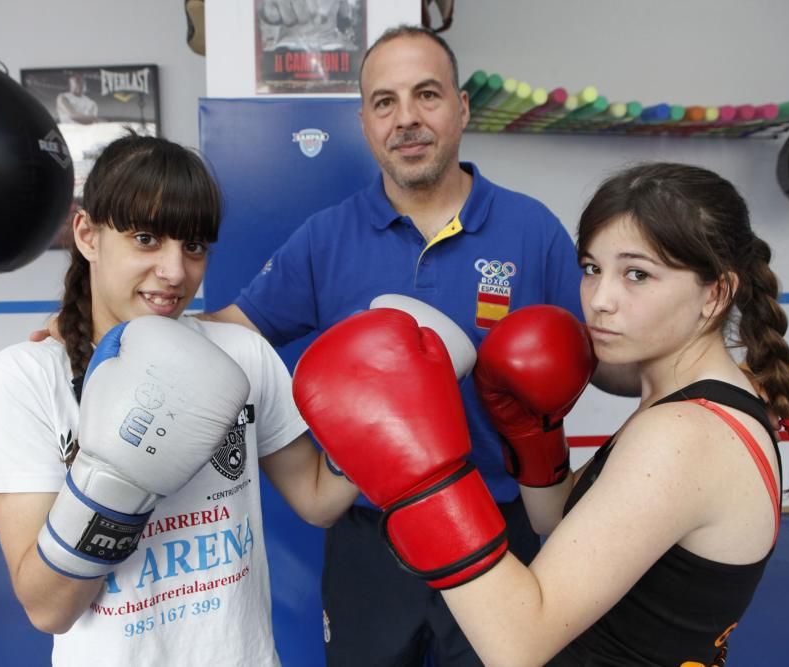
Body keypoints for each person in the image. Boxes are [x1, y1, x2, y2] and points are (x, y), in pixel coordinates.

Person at [201, 22, 638, 667]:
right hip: (370, 540)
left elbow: (614, 363)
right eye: (385, 102)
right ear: (365, 122)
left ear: (461, 108)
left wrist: (693, 381)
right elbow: (233, 331)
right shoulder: (328, 237)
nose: (407, 119)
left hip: (500, 529)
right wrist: (109, 329)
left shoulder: (530, 229)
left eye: (427, 95)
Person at [294, 161, 789, 667]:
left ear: (716, 293)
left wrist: (421, 478)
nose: (600, 299)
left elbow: (517, 644)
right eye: (592, 269)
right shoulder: (700, 403)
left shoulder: (682, 436)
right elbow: (558, 522)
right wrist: (532, 432)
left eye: (637, 275)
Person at [0, 134, 361, 666]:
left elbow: (317, 501)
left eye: (193, 246)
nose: (176, 272)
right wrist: (113, 485)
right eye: (147, 238)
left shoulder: (242, 355)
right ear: (87, 234)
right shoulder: (25, 379)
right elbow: (48, 609)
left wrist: (379, 419)